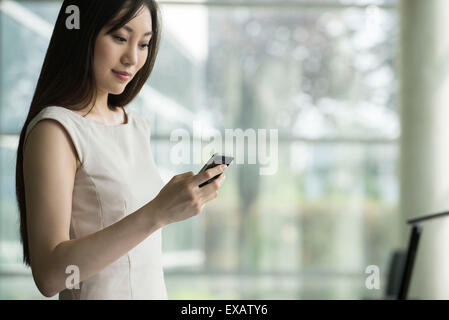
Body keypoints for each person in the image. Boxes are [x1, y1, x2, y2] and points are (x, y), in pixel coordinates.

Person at [15, 0, 227, 300]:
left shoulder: (136, 125)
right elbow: (50, 276)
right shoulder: (56, 129)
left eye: (144, 44)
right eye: (120, 38)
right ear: (82, 33)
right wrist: (158, 212)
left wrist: (171, 207)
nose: (132, 58)